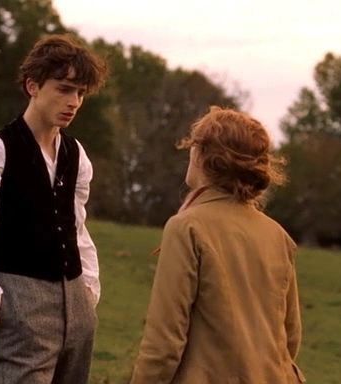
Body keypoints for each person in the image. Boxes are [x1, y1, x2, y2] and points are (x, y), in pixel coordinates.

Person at [0, 34, 107, 384]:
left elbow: (77, 229)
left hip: (77, 306)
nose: (74, 101)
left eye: (81, 93)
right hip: (21, 302)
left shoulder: (76, 155)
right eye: (64, 89)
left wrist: (86, 291)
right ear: (33, 86)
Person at [130, 107, 306, 384]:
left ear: (203, 156)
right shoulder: (277, 235)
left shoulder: (186, 227)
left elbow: (164, 343)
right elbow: (290, 336)